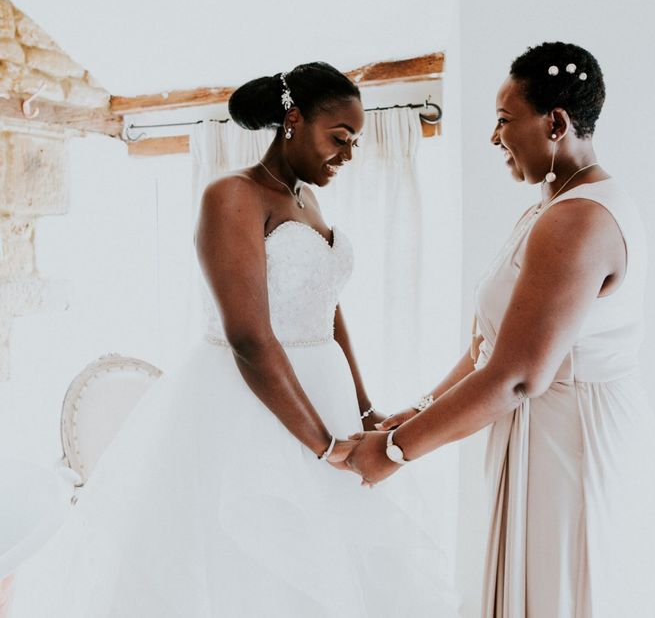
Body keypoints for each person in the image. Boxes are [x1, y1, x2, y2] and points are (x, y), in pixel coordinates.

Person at [11, 62, 457, 617]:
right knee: (249, 562)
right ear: (293, 120)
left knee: (331, 558)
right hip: (247, 401)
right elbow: (248, 335)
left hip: (328, 395)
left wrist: (364, 409)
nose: (348, 155)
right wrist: (321, 446)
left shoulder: (310, 203)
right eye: (339, 138)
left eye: (355, 142)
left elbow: (329, 309)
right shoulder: (232, 195)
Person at [346, 42, 655, 617]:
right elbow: (486, 348)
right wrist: (417, 410)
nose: (495, 138)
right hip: (543, 436)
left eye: (503, 119)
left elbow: (517, 376)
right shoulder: (551, 207)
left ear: (557, 123)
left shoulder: (580, 218)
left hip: (575, 448)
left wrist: (393, 452)